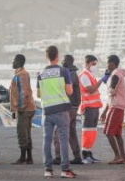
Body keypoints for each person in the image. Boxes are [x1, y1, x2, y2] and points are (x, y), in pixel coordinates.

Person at [37, 45, 76, 178]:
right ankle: (65, 170)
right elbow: (70, 91)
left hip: (47, 111)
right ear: (57, 56)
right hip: (61, 110)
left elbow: (38, 94)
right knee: (63, 139)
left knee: (46, 140)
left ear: (46, 56)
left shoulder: (40, 74)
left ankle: (48, 170)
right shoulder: (64, 71)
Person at [53, 54, 83, 165]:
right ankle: (77, 156)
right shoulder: (72, 73)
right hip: (73, 107)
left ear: (69, 61)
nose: (62, 62)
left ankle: (58, 157)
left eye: (64, 61)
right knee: (71, 132)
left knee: (59, 131)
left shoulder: (70, 74)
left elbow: (65, 88)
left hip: (69, 107)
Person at [9, 54, 35, 165]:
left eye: (13, 60)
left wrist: (20, 108)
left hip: (25, 109)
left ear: (19, 62)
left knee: (22, 133)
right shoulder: (21, 74)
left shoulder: (22, 74)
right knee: (27, 133)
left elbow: (24, 93)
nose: (12, 62)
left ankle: (23, 157)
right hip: (28, 107)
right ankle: (29, 158)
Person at [101, 55, 125, 165]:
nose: (106, 66)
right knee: (117, 133)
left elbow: (111, 91)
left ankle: (117, 156)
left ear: (112, 63)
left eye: (107, 63)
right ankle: (123, 157)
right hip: (119, 106)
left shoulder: (115, 74)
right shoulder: (119, 73)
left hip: (115, 106)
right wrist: (105, 110)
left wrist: (108, 83)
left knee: (108, 132)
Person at [78, 55, 104, 164]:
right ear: (87, 63)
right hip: (88, 107)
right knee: (87, 131)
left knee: (92, 131)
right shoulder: (84, 75)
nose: (94, 66)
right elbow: (91, 90)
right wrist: (102, 80)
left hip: (94, 107)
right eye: (93, 64)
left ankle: (89, 153)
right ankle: (85, 155)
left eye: (95, 64)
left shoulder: (90, 75)